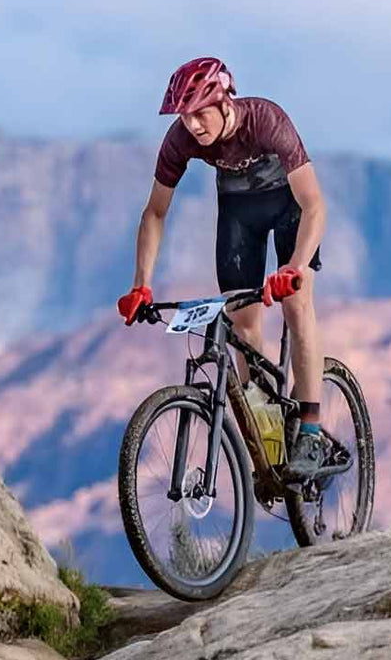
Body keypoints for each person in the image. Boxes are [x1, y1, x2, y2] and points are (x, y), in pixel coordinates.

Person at [116, 56, 328, 481]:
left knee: (295, 305)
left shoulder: (267, 121)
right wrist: (141, 285)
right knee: (241, 321)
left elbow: (314, 205)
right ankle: (269, 440)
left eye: (199, 113)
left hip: (290, 208)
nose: (193, 125)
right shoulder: (180, 140)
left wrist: (296, 267)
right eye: (185, 116)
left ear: (224, 101)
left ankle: (311, 430)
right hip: (239, 211)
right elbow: (155, 213)